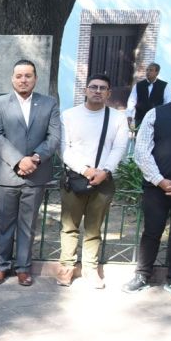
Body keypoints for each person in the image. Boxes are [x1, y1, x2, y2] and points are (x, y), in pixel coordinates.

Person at [123, 70, 171, 302]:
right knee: (151, 232)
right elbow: (141, 151)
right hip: (157, 188)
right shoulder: (156, 114)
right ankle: (142, 275)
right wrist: (160, 181)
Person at [0, 59, 61, 287]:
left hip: (36, 174)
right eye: (19, 76)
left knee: (28, 225)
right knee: (4, 224)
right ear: (12, 79)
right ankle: (1, 266)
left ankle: (23, 268)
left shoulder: (49, 104)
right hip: (6, 174)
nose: (23, 80)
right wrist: (19, 161)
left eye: (28, 75)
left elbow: (54, 137)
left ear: (35, 79)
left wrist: (35, 158)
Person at [58, 73, 128, 288]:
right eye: (93, 87)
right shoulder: (69, 115)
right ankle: (67, 267)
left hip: (104, 179)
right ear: (85, 90)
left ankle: (90, 268)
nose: (97, 91)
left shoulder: (117, 118)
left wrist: (105, 171)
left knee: (93, 228)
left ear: (109, 93)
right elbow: (64, 148)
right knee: (69, 226)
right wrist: (85, 170)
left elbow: (119, 147)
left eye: (102, 88)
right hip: (75, 178)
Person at [126, 62, 171, 132]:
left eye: (151, 70)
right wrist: (129, 115)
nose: (148, 72)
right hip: (139, 118)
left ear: (157, 72)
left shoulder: (164, 86)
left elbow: (168, 102)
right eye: (147, 70)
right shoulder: (138, 85)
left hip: (156, 119)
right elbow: (132, 100)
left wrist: (164, 117)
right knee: (137, 136)